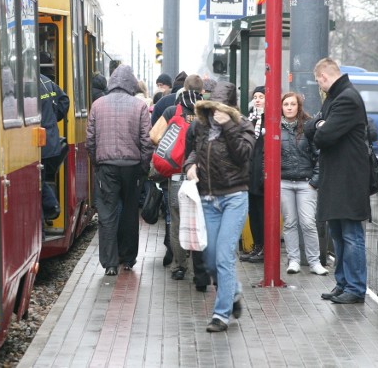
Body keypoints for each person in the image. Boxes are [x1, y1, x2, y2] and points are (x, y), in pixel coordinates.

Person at [184, 80, 255, 332]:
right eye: (213, 108)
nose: (217, 112)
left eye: (222, 108)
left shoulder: (243, 125)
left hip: (234, 197)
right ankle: (233, 291)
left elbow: (244, 155)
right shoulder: (200, 126)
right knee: (210, 259)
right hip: (207, 198)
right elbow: (193, 152)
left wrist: (229, 128)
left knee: (224, 256)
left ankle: (221, 314)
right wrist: (189, 166)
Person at [304, 57, 370, 304]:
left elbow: (323, 136)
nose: (319, 86)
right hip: (337, 176)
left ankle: (355, 288)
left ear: (323, 76)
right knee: (339, 233)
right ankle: (343, 284)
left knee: (351, 234)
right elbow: (313, 126)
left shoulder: (346, 99)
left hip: (349, 177)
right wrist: (320, 124)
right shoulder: (336, 97)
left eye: (318, 81)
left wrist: (320, 125)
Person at [87, 64, 154, 276]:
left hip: (106, 167)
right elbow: (146, 141)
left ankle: (110, 263)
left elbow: (90, 140)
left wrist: (97, 162)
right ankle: (128, 259)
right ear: (130, 84)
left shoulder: (97, 105)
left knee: (107, 213)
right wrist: (143, 167)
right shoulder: (139, 106)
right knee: (129, 213)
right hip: (132, 167)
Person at [150, 75, 204, 283]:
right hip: (200, 173)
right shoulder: (206, 111)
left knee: (177, 220)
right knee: (200, 217)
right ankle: (198, 265)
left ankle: (179, 266)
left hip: (176, 173)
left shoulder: (173, 110)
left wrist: (172, 146)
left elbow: (154, 135)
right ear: (202, 92)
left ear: (183, 89)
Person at [279, 92, 328, 276]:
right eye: (286, 104)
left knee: (308, 223)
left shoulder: (308, 128)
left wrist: (314, 181)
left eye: (293, 104)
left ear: (299, 107)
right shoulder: (275, 128)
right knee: (290, 223)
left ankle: (314, 262)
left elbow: (319, 156)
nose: (290, 107)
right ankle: (293, 260)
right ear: (281, 107)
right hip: (284, 182)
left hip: (305, 184)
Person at [40, 74, 70, 222]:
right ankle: (49, 210)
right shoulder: (45, 81)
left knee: (38, 181)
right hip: (50, 141)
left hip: (40, 143)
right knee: (42, 177)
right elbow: (64, 100)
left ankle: (51, 206)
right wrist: (52, 119)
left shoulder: (25, 84)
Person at [241, 86, 266, 263]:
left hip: (263, 174)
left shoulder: (271, 120)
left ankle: (264, 248)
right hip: (250, 173)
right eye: (255, 97)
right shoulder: (250, 118)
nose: (257, 100)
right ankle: (257, 246)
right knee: (253, 213)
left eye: (261, 96)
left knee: (263, 213)